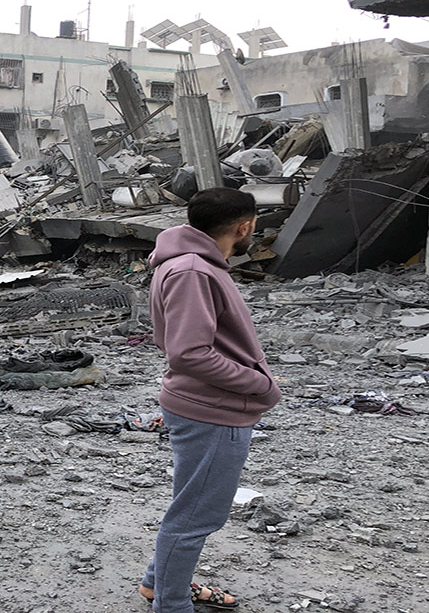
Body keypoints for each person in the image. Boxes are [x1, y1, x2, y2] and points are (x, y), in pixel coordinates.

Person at [137, 187, 281, 612]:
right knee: (196, 516)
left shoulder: (192, 264)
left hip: (209, 404)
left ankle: (157, 585)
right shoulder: (192, 271)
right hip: (212, 408)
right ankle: (172, 603)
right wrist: (259, 385)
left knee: (193, 506)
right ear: (246, 226)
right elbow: (189, 352)